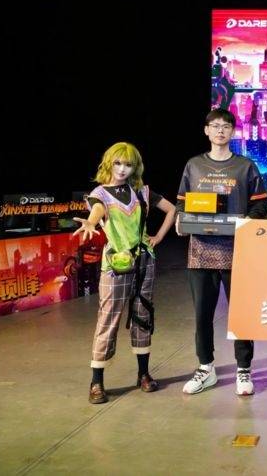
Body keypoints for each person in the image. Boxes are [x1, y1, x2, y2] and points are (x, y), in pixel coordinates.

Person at [74, 142, 176, 404]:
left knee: (143, 315)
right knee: (108, 317)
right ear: (109, 163)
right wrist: (91, 222)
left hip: (144, 261)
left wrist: (157, 238)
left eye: (128, 164)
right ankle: (97, 381)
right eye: (118, 163)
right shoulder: (99, 193)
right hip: (115, 265)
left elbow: (172, 210)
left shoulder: (142, 191)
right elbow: (98, 209)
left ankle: (143, 374)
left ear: (135, 167)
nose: (122, 169)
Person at [178, 108, 267, 396]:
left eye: (226, 126)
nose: (220, 131)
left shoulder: (245, 166)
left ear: (232, 131)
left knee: (241, 314)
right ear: (206, 130)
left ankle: (244, 369)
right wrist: (182, 221)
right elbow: (182, 202)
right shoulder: (194, 165)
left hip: (238, 251)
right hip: (200, 252)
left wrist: (248, 221)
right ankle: (206, 368)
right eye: (215, 126)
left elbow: (260, 204)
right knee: (202, 315)